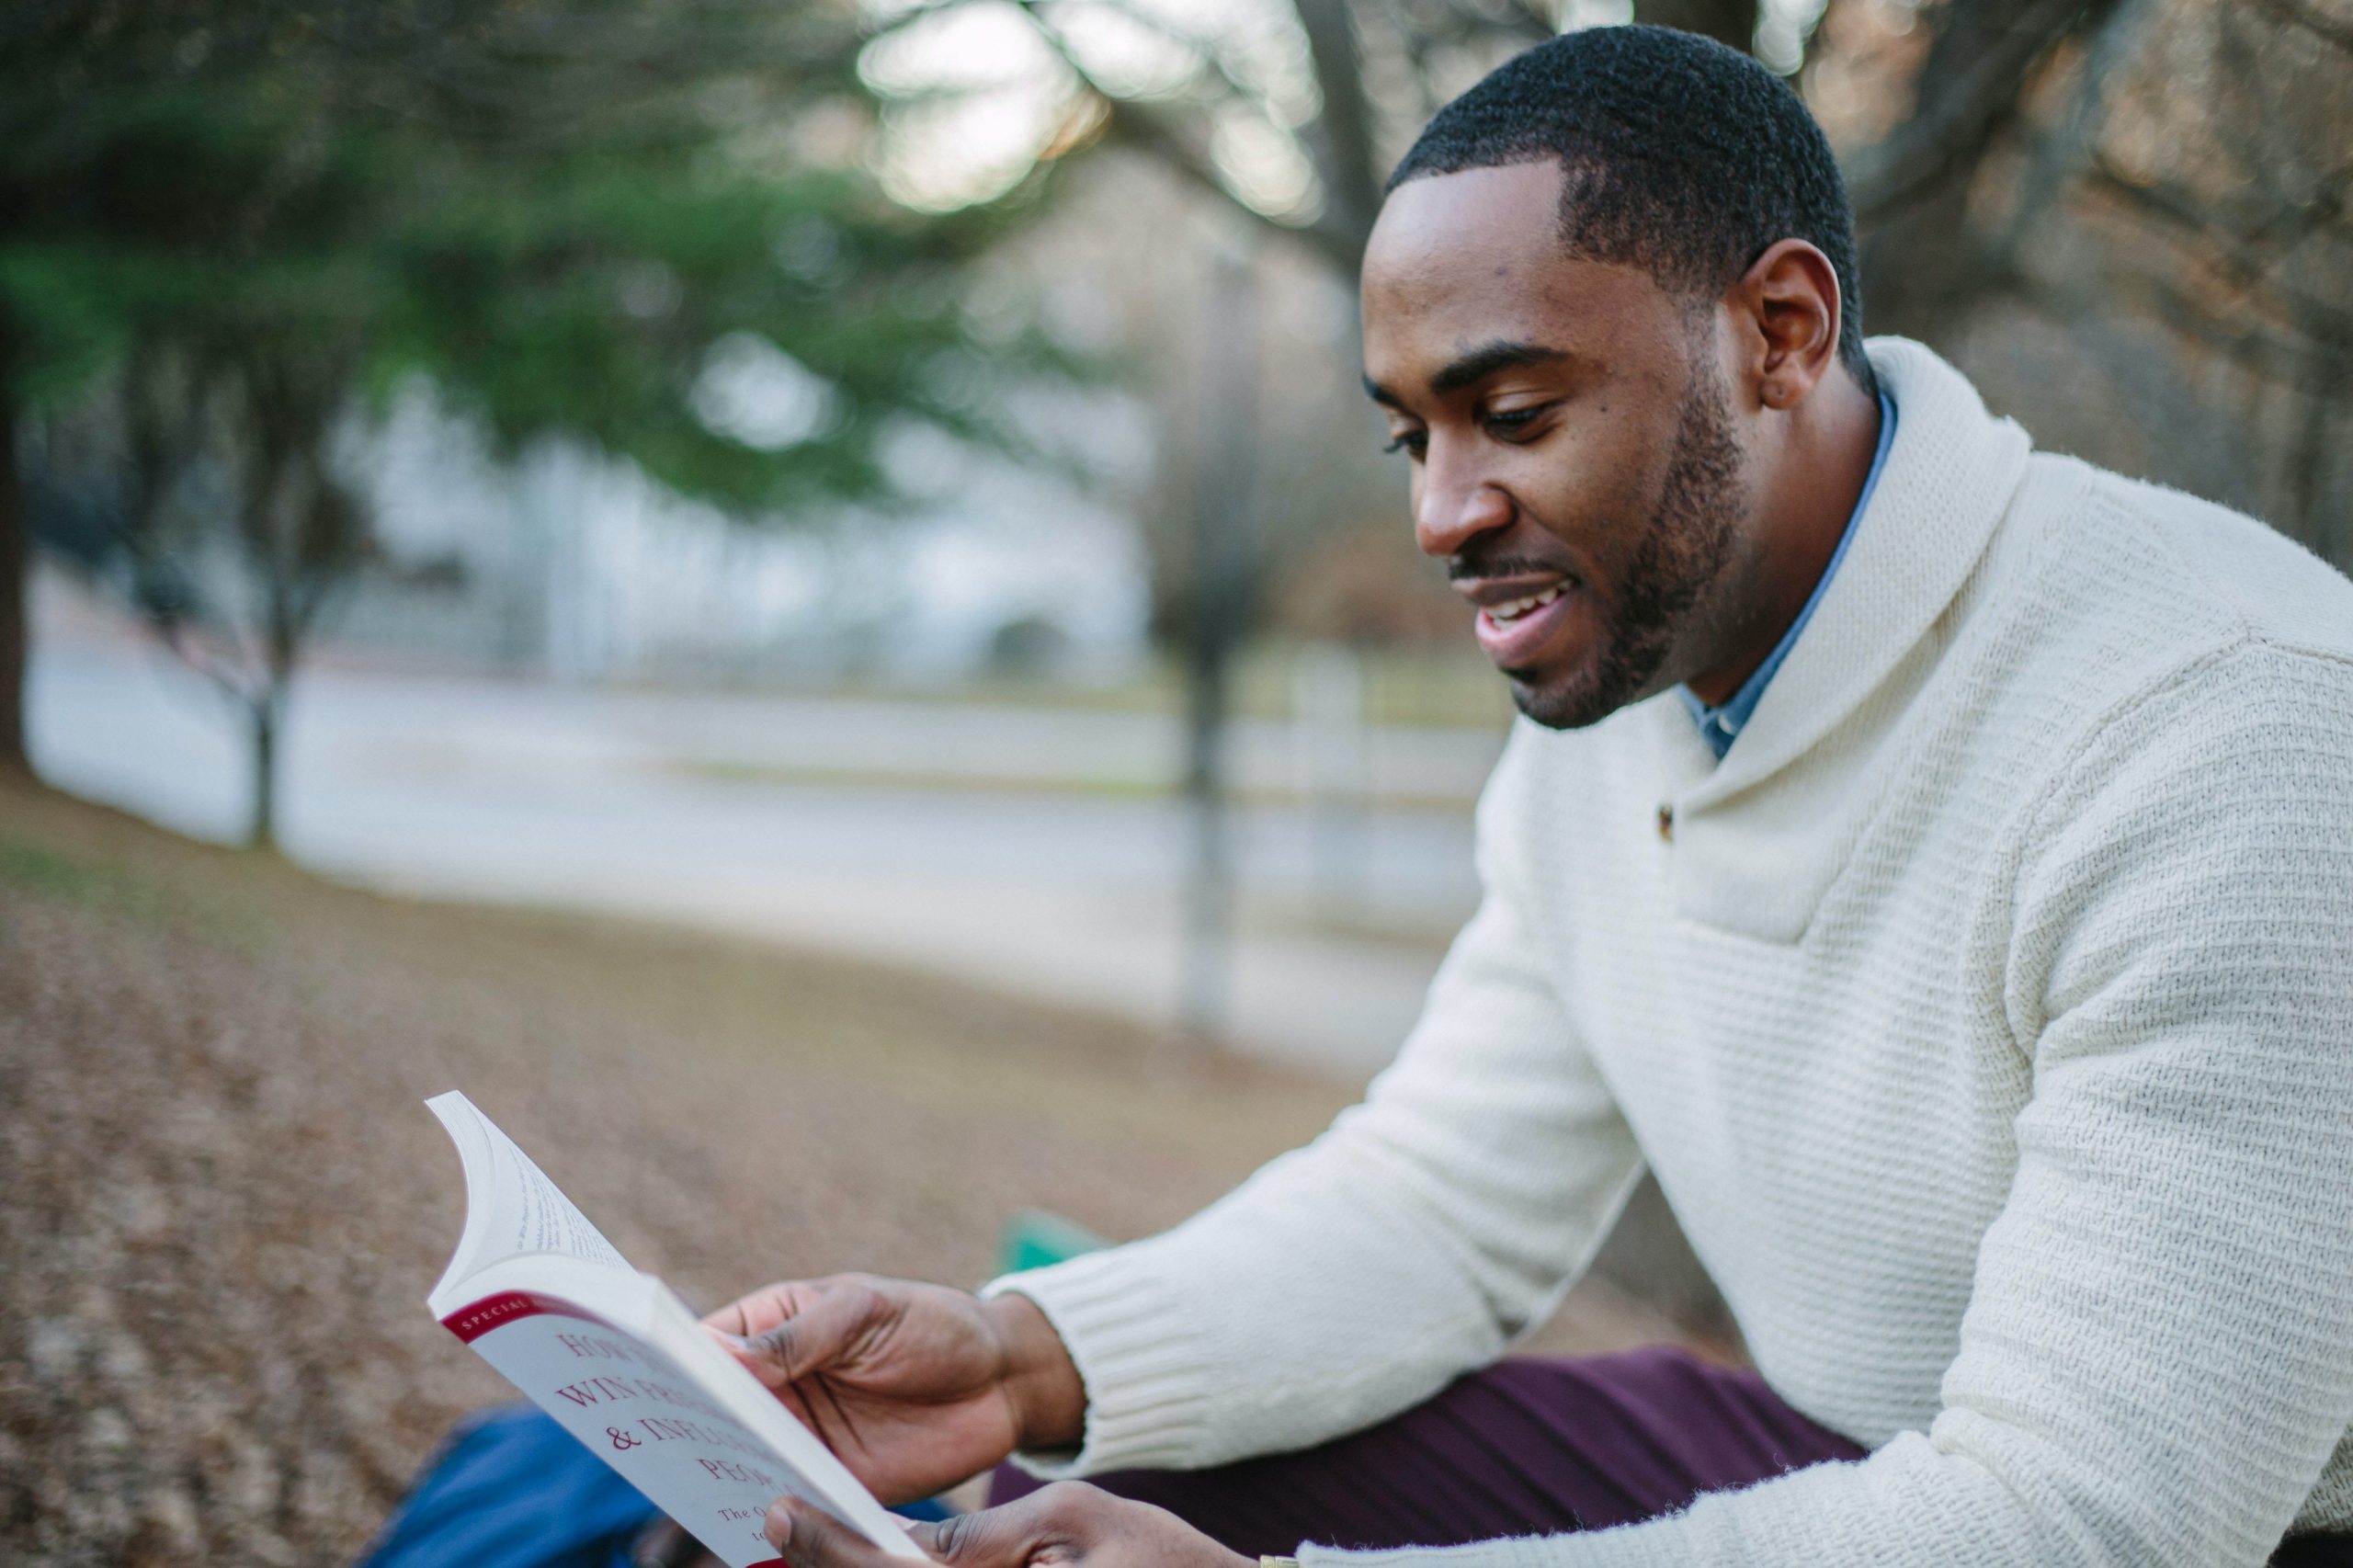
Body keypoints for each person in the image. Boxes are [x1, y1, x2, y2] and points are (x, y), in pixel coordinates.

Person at [703, 24, 2353, 1568]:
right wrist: (1018, 1356)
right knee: (1105, 1489)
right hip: (1853, 1445)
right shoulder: (1632, 688)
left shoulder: (2223, 732)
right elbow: (1440, 1203)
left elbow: (2086, 1524)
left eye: (1512, 414)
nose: (1441, 512)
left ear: (1780, 332)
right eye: (1408, 436)